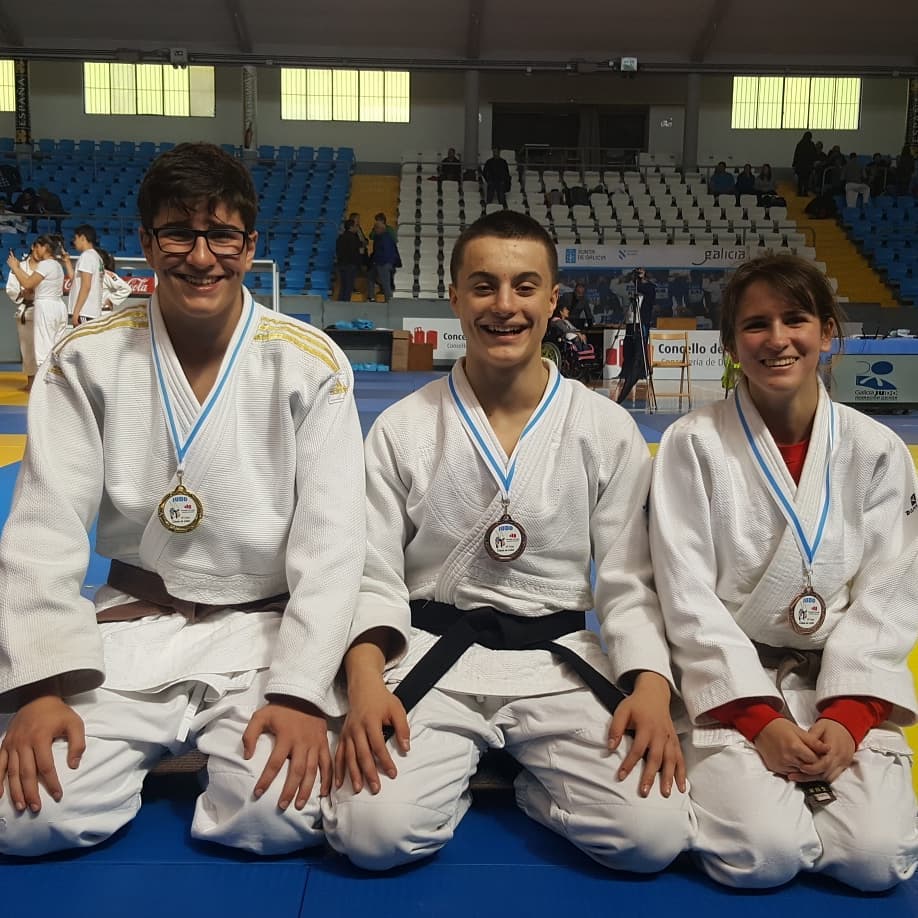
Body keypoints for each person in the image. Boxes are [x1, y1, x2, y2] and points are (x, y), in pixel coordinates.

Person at [0, 142, 369, 858]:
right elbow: (44, 527)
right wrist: (41, 687)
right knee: (25, 818)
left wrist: (299, 692)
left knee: (279, 817)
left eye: (221, 235)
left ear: (249, 245)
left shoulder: (308, 361)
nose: (201, 257)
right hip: (133, 622)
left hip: (264, 631)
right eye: (178, 233)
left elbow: (333, 544)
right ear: (146, 242)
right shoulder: (85, 360)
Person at [323, 211, 693, 872]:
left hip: (558, 662)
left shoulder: (605, 427)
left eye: (525, 286)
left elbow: (628, 580)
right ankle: (454, 776)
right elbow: (372, 572)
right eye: (484, 285)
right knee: (371, 834)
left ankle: (526, 787)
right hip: (431, 654)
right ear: (456, 297)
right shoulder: (403, 428)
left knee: (652, 836)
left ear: (552, 300)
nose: (504, 305)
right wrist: (365, 679)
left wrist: (649, 685)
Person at [649, 253, 918, 891]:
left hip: (838, 679)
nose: (777, 339)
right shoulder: (693, 443)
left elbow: (892, 592)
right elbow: (684, 593)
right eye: (755, 324)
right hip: (731, 685)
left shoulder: (876, 450)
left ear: (826, 332)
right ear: (731, 344)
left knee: (878, 860)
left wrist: (850, 717)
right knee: (760, 856)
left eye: (795, 319)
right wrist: (759, 719)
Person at [5, 234, 67, 376]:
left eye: (39, 246)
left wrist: (15, 267)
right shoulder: (57, 265)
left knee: (43, 351)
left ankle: (44, 385)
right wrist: (18, 268)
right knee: (55, 348)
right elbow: (31, 282)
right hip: (57, 306)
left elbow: (28, 283)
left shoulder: (45, 264)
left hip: (46, 308)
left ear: (45, 247)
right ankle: (56, 382)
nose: (37, 250)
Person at [5, 241, 39, 391]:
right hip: (27, 309)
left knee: (46, 347)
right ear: (33, 247)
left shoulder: (46, 266)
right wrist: (22, 293)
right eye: (38, 247)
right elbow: (10, 288)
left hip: (44, 309)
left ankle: (46, 381)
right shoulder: (19, 266)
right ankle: (31, 381)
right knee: (27, 348)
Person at [61, 224, 104, 326]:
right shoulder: (97, 257)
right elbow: (76, 281)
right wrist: (67, 262)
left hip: (85, 311)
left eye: (76, 238)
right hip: (92, 311)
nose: (74, 242)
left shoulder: (87, 256)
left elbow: (86, 286)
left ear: (83, 238)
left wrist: (76, 312)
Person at [366, 212, 401, 303]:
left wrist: (381, 262)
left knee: (385, 283)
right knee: (371, 276)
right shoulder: (382, 236)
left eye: (376, 228)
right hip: (381, 261)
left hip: (383, 263)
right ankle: (372, 297)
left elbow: (385, 252)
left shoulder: (385, 236)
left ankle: (389, 301)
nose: (375, 230)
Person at [97, 248, 133, 312]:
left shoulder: (107, 275)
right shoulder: (86, 275)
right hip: (88, 312)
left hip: (103, 311)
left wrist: (111, 300)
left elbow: (127, 289)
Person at [335, 219, 363, 302]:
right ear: (351, 227)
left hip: (341, 264)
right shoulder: (353, 238)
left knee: (343, 286)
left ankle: (340, 303)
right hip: (350, 265)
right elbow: (356, 252)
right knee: (349, 286)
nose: (357, 228)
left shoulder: (340, 237)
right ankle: (346, 303)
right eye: (356, 226)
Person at [792, 132, 818, 197]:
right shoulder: (811, 145)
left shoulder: (800, 144)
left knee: (800, 180)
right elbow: (814, 155)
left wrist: (794, 164)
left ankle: (799, 192)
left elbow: (796, 155)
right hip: (808, 166)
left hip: (800, 165)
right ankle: (805, 192)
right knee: (806, 180)